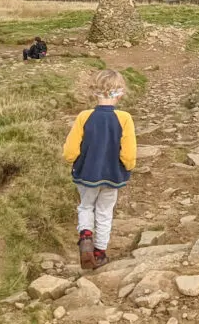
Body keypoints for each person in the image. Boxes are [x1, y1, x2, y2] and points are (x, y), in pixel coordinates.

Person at [63, 69, 137, 270]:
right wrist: (129, 166)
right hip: (113, 174)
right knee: (105, 212)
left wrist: (72, 160)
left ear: (93, 92)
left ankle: (85, 236)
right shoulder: (124, 118)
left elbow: (70, 151)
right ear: (120, 93)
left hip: (86, 174)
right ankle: (100, 253)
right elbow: (128, 152)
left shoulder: (84, 116)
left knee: (86, 206)